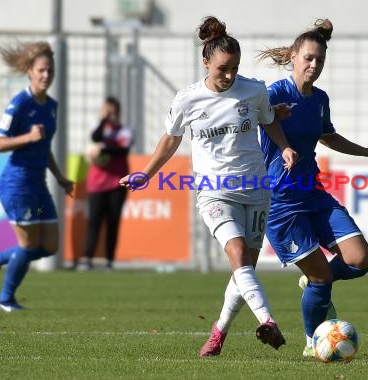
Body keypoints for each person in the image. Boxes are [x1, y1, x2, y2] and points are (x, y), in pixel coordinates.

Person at [119, 16, 298, 356]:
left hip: (256, 189)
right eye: (222, 69)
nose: (229, 76)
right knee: (238, 254)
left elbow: (269, 121)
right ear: (205, 62)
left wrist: (285, 145)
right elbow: (170, 141)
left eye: (234, 68)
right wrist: (147, 173)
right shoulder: (187, 99)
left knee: (243, 271)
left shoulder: (254, 90)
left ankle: (218, 334)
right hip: (214, 191)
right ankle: (268, 321)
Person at [257, 19, 368, 357]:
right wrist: (284, 146)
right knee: (322, 277)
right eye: (308, 58)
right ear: (293, 57)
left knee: (359, 259)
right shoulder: (276, 92)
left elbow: (327, 134)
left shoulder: (319, 99)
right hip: (281, 203)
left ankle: (314, 281)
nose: (313, 65)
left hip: (313, 193)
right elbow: (266, 117)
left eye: (319, 60)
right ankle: (313, 342)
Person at [0, 41, 74, 312]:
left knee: (50, 246)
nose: (46, 75)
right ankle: (5, 300)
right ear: (30, 72)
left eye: (50, 70)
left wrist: (60, 177)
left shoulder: (52, 106)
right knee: (29, 244)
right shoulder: (19, 103)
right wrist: (28, 137)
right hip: (17, 184)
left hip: (39, 185)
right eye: (41, 70)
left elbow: (44, 148)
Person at [74, 96, 132, 271]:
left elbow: (123, 150)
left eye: (112, 112)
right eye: (107, 111)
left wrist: (104, 149)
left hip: (117, 182)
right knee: (94, 221)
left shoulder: (124, 131)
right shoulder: (99, 129)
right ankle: (87, 258)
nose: (110, 115)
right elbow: (95, 137)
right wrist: (103, 120)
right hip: (97, 182)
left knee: (113, 221)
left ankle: (109, 260)